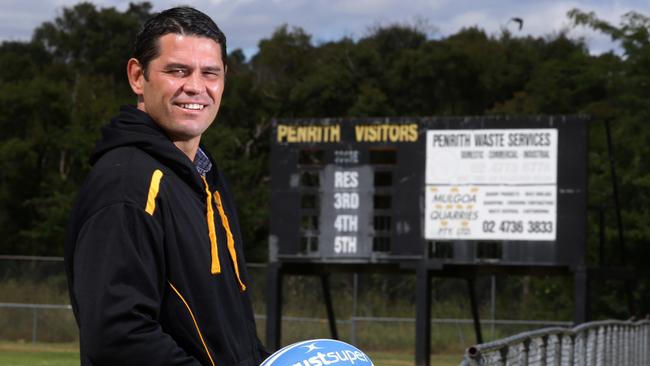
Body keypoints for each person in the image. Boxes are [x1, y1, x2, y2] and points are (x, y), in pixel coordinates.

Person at [64, 7, 268, 366]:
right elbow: (118, 337)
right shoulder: (127, 184)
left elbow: (227, 334)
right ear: (137, 76)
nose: (196, 86)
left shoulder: (205, 180)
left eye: (210, 73)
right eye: (177, 71)